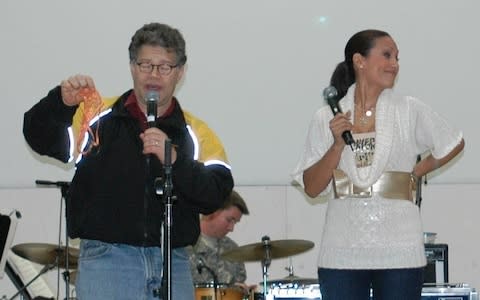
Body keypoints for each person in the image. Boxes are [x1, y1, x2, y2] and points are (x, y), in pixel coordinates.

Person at [23, 22, 234, 300]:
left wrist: (175, 160)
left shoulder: (195, 132)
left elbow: (216, 193)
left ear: (180, 72)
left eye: (164, 66)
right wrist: (60, 102)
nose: (154, 74)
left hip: (173, 262)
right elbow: (37, 135)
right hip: (107, 262)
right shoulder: (95, 118)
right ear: (132, 67)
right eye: (145, 64)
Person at [292, 29, 464, 300]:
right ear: (359, 61)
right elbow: (312, 188)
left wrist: (417, 172)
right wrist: (337, 145)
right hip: (342, 251)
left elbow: (453, 141)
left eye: (397, 57)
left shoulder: (409, 109)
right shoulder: (326, 116)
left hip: (400, 248)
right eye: (386, 55)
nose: (394, 64)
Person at [188, 190, 255, 297]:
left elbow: (238, 288)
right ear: (212, 212)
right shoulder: (184, 247)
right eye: (229, 220)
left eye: (235, 222)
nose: (231, 228)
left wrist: (243, 291)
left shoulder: (233, 249)